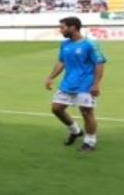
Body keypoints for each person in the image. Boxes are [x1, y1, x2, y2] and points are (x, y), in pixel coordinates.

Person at [44, 16, 107, 153]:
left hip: (85, 84)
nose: (60, 30)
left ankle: (90, 141)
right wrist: (50, 77)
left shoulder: (90, 44)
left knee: (87, 113)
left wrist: (96, 84)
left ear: (73, 27)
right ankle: (75, 131)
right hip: (68, 83)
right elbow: (61, 62)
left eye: (63, 27)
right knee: (56, 108)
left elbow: (99, 63)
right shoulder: (64, 44)